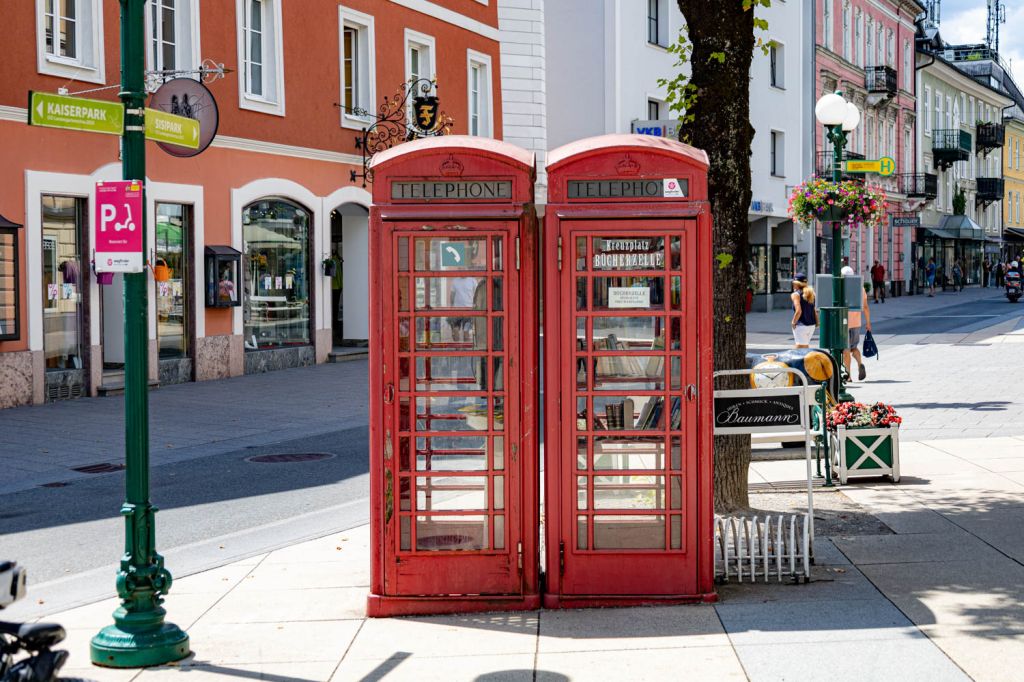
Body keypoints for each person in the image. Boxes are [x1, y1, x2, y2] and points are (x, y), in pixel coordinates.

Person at [842, 265, 871, 382]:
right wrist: (868, 322)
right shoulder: (860, 288)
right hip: (856, 323)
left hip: (844, 323)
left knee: (846, 350)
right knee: (854, 347)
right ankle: (860, 364)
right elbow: (865, 307)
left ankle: (848, 375)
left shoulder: (840, 287)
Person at [790, 273, 818, 348]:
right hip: (811, 325)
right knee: (805, 347)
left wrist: (793, 322)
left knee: (799, 348)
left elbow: (799, 311)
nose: (792, 284)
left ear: (797, 283)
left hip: (801, 325)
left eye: (793, 283)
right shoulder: (811, 293)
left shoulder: (795, 295)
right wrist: (817, 322)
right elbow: (814, 309)